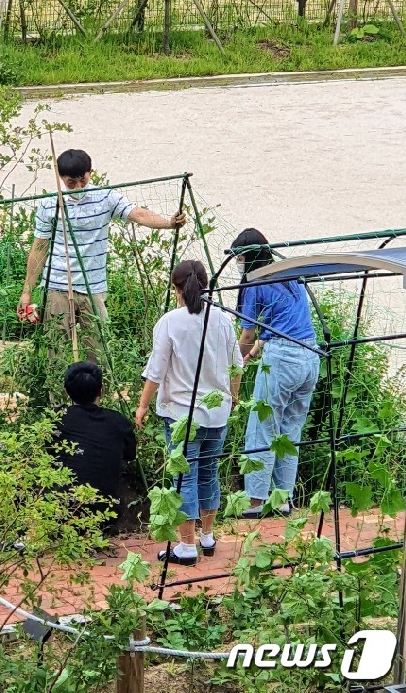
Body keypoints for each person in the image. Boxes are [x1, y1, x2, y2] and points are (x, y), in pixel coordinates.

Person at [17, 149, 186, 359]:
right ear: (60, 177)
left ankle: (98, 392)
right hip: (57, 286)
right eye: (71, 183)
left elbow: (138, 214)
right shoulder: (49, 204)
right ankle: (57, 392)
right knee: (56, 353)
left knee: (98, 353)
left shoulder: (105, 197)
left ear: (90, 173)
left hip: (93, 288)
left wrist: (169, 223)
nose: (78, 187)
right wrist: (27, 291)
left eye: (83, 180)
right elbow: (39, 248)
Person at [135, 260, 242, 566]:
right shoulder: (222, 319)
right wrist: (233, 396)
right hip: (217, 412)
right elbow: (237, 364)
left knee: (185, 477)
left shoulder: (170, 321)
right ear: (206, 285)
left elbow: (156, 371)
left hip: (182, 414)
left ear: (176, 288)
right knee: (209, 473)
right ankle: (207, 536)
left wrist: (142, 406)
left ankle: (186, 545)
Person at [231, 228, 320, 518]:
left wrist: (237, 362)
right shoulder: (288, 273)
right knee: (289, 431)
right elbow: (279, 322)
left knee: (262, 428)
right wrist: (256, 351)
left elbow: (247, 333)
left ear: (248, 259)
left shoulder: (254, 281)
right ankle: (282, 499)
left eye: (240, 258)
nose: (239, 264)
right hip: (309, 355)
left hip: (283, 359)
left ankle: (255, 502)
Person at [56, 361, 137, 523]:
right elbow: (131, 454)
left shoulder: (57, 420)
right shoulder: (119, 422)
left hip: (62, 513)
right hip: (106, 516)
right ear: (101, 391)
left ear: (67, 392)